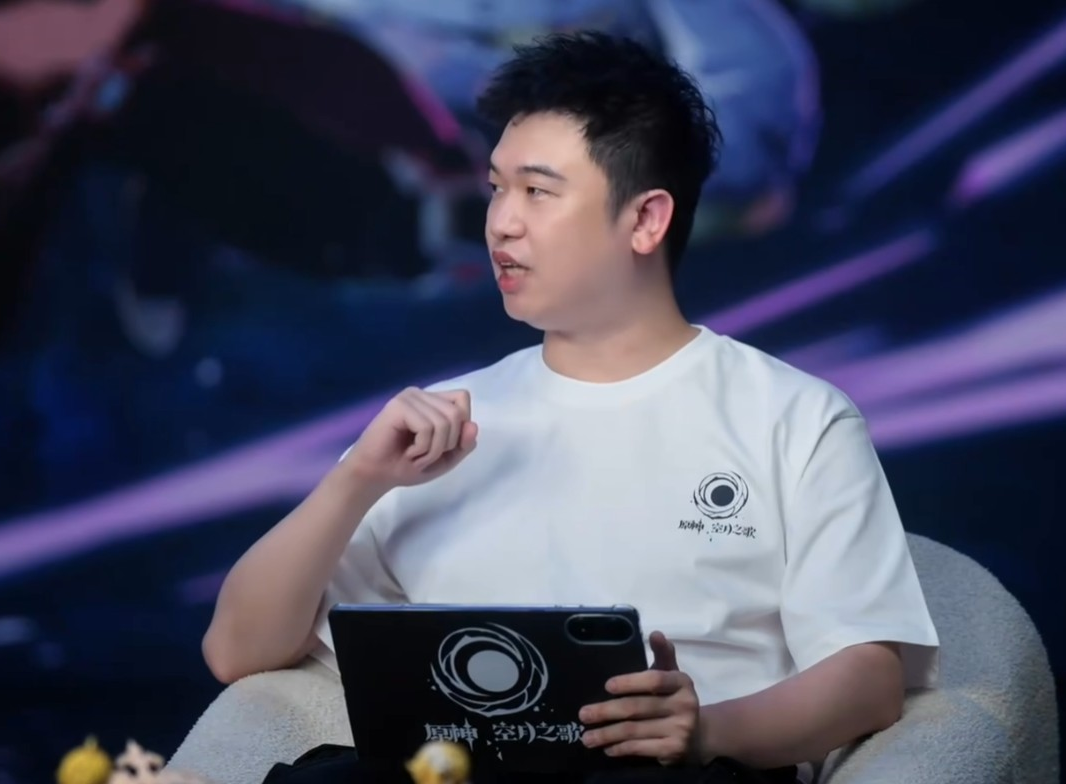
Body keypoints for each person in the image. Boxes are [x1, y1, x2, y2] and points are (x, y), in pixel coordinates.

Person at [202, 30, 939, 784]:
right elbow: (237, 651)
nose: (500, 222)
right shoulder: (439, 424)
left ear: (646, 220)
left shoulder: (793, 417)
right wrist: (356, 479)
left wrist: (706, 729)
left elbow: (869, 678)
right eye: (496, 187)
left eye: (537, 191)